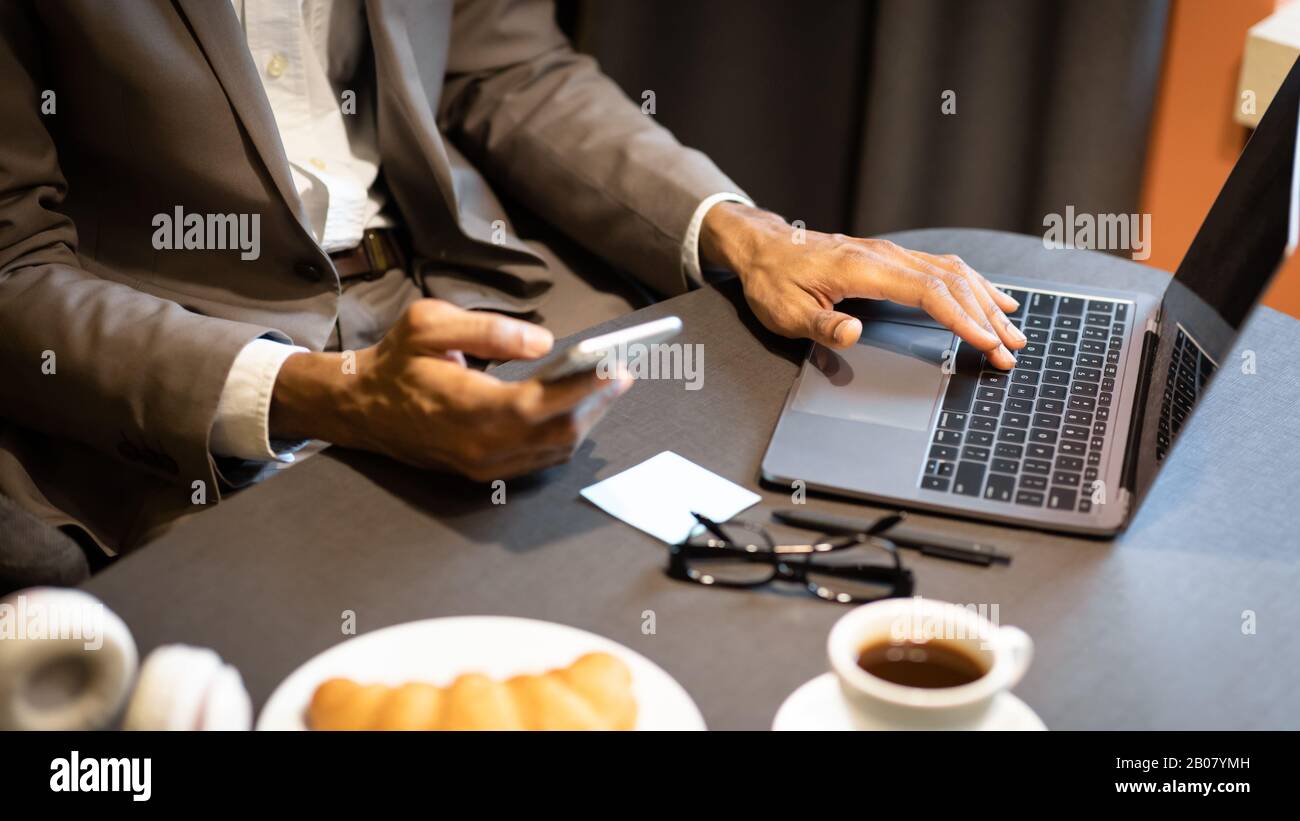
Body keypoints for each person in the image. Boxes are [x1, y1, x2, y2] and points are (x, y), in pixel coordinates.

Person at [0, 0, 1024, 553]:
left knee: (758, 528)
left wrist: (753, 236)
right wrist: (335, 398)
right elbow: (14, 269)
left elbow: (510, 70)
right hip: (194, 377)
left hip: (477, 295)